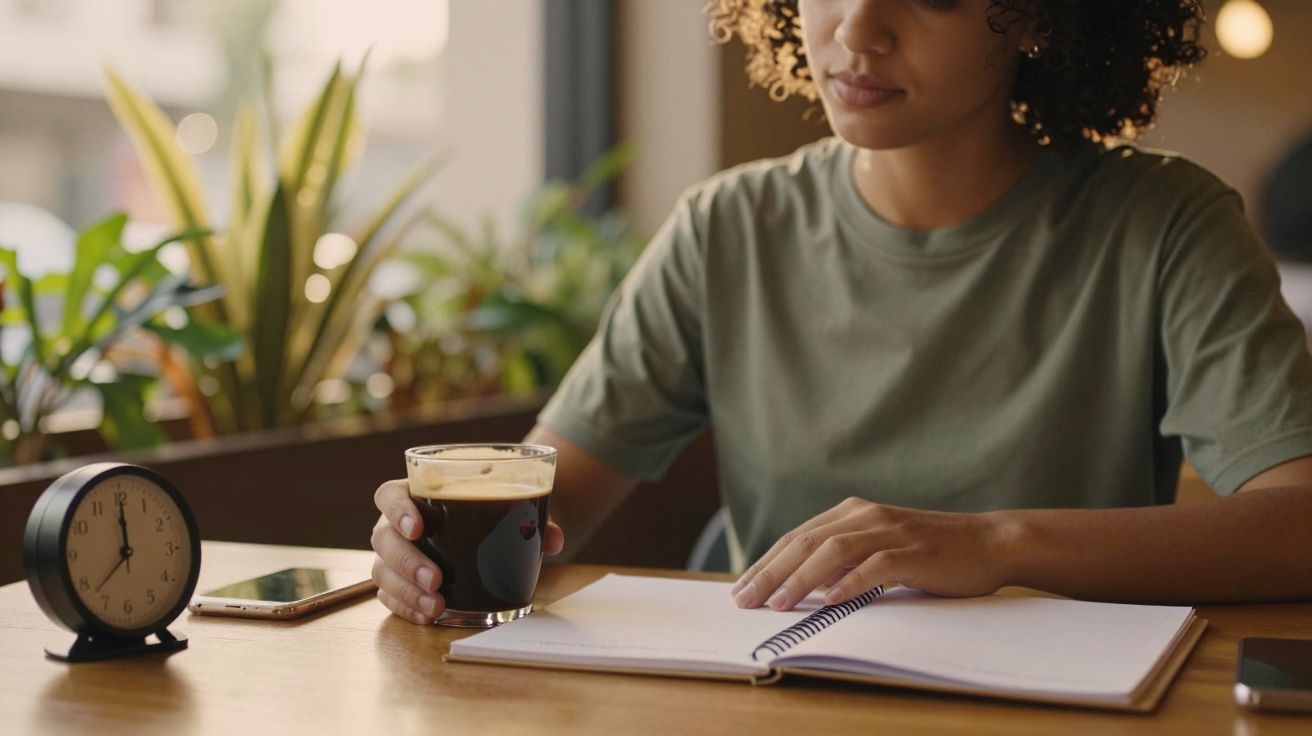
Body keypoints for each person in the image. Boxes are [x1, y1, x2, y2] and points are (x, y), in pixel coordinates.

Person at [371, 0, 1312, 626]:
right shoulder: (726, 229)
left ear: (1034, 15)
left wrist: (994, 543)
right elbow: (548, 508)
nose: (858, 30)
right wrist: (423, 547)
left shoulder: (1166, 226)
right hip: (782, 702)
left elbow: (1298, 525)